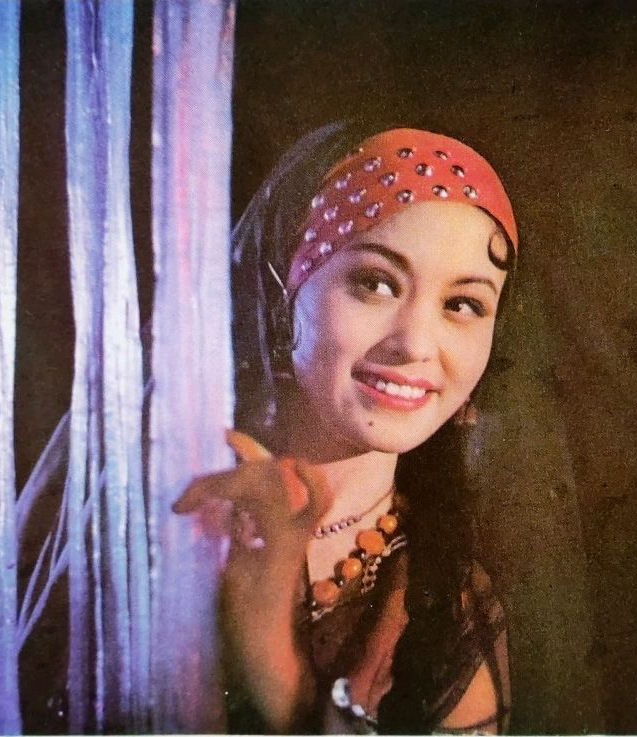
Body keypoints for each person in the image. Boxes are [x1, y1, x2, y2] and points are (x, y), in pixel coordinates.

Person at [172, 121, 517, 734]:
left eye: (462, 304)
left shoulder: (445, 601)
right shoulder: (170, 501)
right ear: (283, 288)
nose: (416, 344)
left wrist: (269, 652)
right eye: (376, 283)